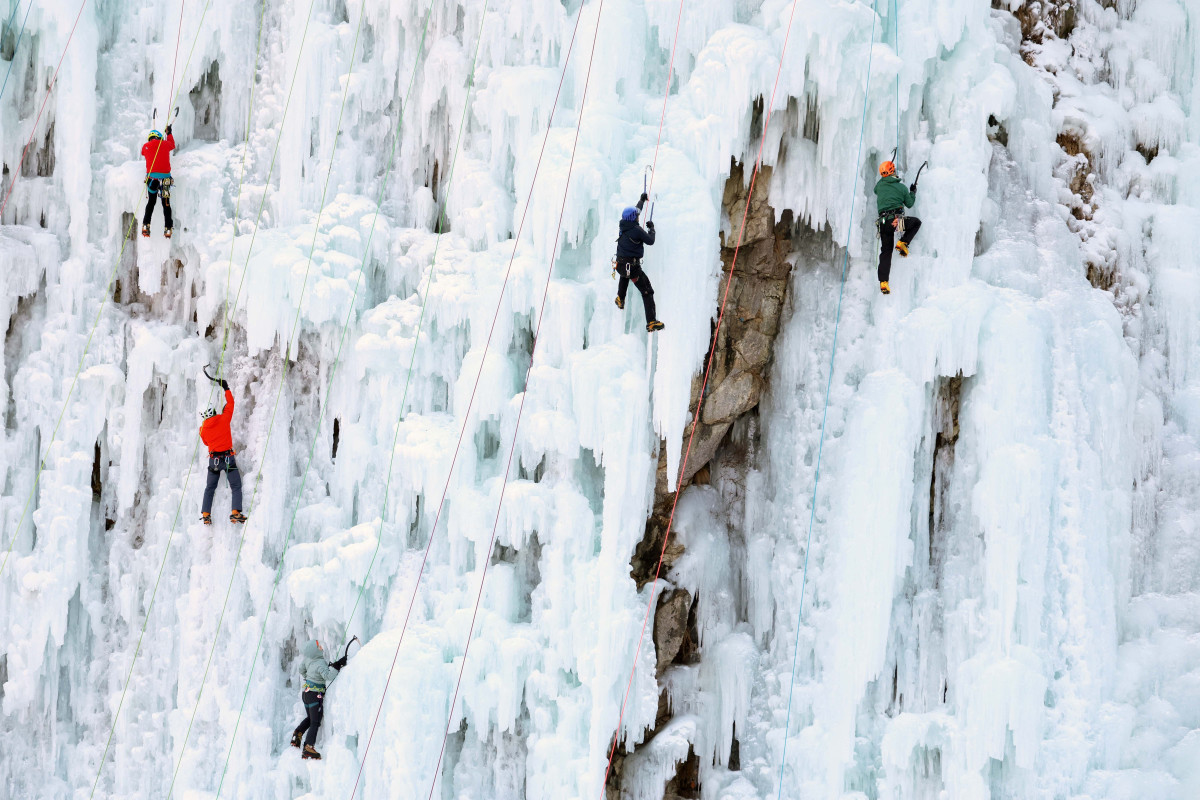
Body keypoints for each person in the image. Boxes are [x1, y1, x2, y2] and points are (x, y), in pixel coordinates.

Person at [290, 639, 348, 760]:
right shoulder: (320, 662)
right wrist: (337, 665)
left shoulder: (308, 660)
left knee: (311, 718)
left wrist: (309, 678)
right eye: (318, 646)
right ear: (314, 650)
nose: (321, 647)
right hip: (315, 695)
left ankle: (297, 735)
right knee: (315, 722)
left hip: (306, 693)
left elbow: (301, 669)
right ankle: (308, 747)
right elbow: (328, 676)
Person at [614, 192, 664, 332]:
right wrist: (652, 229)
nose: (638, 216)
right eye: (636, 215)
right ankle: (652, 322)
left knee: (624, 275)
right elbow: (650, 241)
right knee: (647, 291)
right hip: (633, 268)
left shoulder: (623, 225)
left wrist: (641, 200)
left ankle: (620, 298)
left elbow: (636, 210)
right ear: (634, 218)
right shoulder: (636, 230)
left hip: (621, 265)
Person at [198, 378, 246, 524]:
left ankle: (206, 515)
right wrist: (226, 388)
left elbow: (206, 442)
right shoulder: (224, 419)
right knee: (236, 485)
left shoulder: (202, 430)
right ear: (213, 411)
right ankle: (235, 512)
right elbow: (230, 404)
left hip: (214, 461)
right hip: (228, 459)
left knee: (210, 488)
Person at [873, 160, 922, 295]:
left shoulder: (879, 186)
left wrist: (885, 179)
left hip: (883, 224)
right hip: (896, 221)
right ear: (892, 171)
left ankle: (884, 282)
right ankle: (903, 243)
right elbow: (910, 203)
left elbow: (878, 188)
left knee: (886, 252)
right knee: (916, 223)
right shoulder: (901, 188)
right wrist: (912, 191)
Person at [141, 126, 175, 238]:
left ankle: (146, 226)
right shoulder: (165, 144)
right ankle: (168, 229)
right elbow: (172, 145)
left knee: (151, 202)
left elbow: (143, 153)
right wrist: (169, 133)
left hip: (152, 180)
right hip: (165, 180)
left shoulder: (145, 146)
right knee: (166, 204)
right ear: (160, 138)